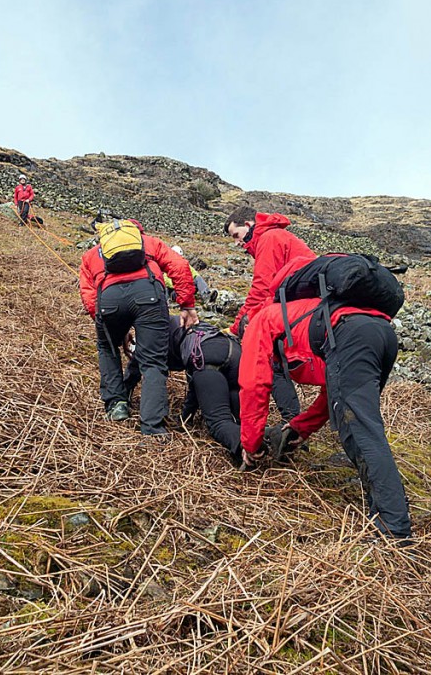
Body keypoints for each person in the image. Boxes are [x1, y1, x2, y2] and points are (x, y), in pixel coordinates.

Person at [236, 276, 412, 542]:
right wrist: (300, 427)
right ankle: (386, 511)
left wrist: (250, 443)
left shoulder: (259, 323)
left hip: (351, 334)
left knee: (362, 433)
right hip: (381, 333)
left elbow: (253, 385)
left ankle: (394, 531)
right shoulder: (307, 312)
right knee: (357, 425)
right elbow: (334, 391)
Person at [79, 217, 198, 439]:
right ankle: (152, 427)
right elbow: (180, 266)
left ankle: (117, 405)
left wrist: (110, 326)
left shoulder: (92, 255)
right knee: (153, 360)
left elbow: (88, 294)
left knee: (108, 348)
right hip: (149, 295)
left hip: (108, 301)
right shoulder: (149, 243)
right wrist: (186, 304)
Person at [224, 206, 315, 422]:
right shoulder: (275, 236)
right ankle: (293, 421)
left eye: (236, 235)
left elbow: (261, 289)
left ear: (248, 225)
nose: (237, 243)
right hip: (302, 304)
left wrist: (237, 327)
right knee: (277, 358)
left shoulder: (269, 238)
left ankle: (291, 422)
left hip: (301, 307)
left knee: (270, 358)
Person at [123, 316, 242, 461]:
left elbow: (134, 367)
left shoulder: (151, 336)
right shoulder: (178, 322)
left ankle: (255, 443)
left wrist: (123, 397)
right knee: (240, 419)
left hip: (206, 354)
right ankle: (259, 441)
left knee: (219, 422)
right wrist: (186, 418)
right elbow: (197, 389)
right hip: (235, 351)